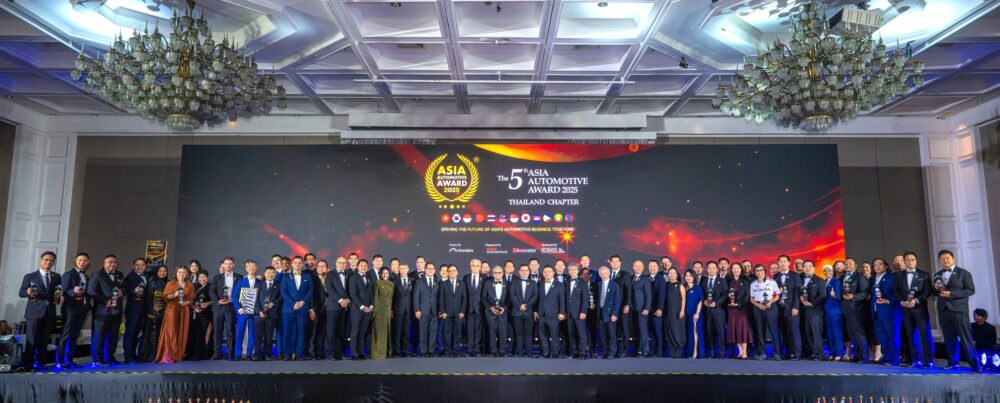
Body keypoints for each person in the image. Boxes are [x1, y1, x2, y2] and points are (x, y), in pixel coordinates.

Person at [932, 249, 980, 372]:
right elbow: (934, 293)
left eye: (947, 258)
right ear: (939, 261)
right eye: (942, 259)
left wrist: (952, 294)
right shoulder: (937, 274)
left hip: (959, 310)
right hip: (943, 310)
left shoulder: (963, 273)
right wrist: (935, 289)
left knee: (965, 337)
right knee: (949, 338)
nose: (945, 261)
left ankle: (975, 364)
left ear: (953, 259)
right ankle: (953, 362)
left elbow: (970, 290)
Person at [18, 251, 61, 371]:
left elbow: (57, 292)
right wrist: (27, 291)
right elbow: (21, 293)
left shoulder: (57, 277)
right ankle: (28, 364)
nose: (48, 262)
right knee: (31, 339)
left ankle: (41, 363)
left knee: (44, 339)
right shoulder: (30, 276)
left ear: (53, 263)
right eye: (46, 259)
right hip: (33, 312)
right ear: (41, 260)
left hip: (49, 312)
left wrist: (59, 294)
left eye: (51, 260)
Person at [894, 251, 933, 368]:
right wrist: (902, 301)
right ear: (904, 261)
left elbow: (927, 291)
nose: (910, 262)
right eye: (908, 260)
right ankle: (916, 360)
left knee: (925, 335)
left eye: (913, 260)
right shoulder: (898, 275)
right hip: (906, 309)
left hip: (920, 309)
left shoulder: (924, 274)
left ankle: (928, 360)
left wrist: (916, 300)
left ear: (916, 261)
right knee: (911, 336)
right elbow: (896, 291)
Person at [88, 255, 124, 367]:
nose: (112, 264)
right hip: (102, 311)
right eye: (109, 262)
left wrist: (123, 292)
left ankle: (110, 357)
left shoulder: (120, 274)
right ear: (104, 263)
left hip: (117, 310)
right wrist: (105, 301)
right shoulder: (97, 274)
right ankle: (97, 360)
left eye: (114, 262)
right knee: (99, 336)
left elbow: (124, 288)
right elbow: (91, 291)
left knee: (113, 336)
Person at [57, 252, 90, 369]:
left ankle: (69, 360)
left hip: (82, 309)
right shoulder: (68, 274)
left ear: (88, 262)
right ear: (75, 260)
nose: (82, 262)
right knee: (65, 335)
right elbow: (65, 290)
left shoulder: (86, 276)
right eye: (80, 260)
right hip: (70, 309)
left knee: (75, 335)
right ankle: (60, 361)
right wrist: (73, 291)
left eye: (85, 261)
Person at [155, 267, 194, 363]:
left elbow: (191, 299)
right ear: (176, 273)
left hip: (184, 310)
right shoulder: (171, 283)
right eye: (180, 272)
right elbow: (166, 297)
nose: (182, 274)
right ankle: (169, 355)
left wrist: (186, 302)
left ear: (187, 274)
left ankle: (178, 354)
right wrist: (175, 294)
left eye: (184, 272)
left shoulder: (190, 285)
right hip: (172, 309)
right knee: (171, 331)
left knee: (182, 331)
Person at [280, 256, 313, 360]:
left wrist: (302, 302)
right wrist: (293, 303)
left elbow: (310, 291)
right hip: (288, 309)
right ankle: (287, 354)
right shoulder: (285, 277)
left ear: (302, 264)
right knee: (287, 332)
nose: (297, 264)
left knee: (301, 332)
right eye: (295, 262)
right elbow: (283, 292)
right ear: (292, 264)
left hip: (302, 309)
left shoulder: (307, 276)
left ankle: (299, 354)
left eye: (299, 263)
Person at [210, 257, 242, 360]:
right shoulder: (217, 277)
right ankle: (217, 353)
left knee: (230, 331)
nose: (228, 266)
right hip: (218, 307)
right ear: (223, 265)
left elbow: (242, 292)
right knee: (217, 331)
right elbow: (212, 291)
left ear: (233, 265)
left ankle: (230, 353)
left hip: (231, 307)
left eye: (230, 264)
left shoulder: (239, 277)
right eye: (226, 264)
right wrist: (217, 300)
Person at [840, 257, 870, 363]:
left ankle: (864, 356)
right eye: (846, 264)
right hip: (845, 309)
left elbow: (865, 293)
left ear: (855, 266)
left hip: (856, 309)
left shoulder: (860, 277)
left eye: (850, 264)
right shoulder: (843, 277)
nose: (848, 266)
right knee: (851, 333)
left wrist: (853, 297)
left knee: (859, 333)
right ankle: (857, 355)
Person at [773, 255, 802, 360]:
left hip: (791, 307)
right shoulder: (775, 276)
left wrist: (796, 307)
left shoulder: (795, 275)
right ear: (778, 263)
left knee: (793, 330)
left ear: (789, 263)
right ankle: (789, 352)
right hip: (779, 308)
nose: (782, 263)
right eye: (780, 261)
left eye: (784, 261)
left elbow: (797, 292)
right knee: (784, 331)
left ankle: (797, 353)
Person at [232, 260, 262, 360]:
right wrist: (239, 309)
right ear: (246, 268)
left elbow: (261, 298)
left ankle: (249, 354)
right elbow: (235, 296)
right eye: (249, 267)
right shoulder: (241, 281)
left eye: (253, 267)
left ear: (257, 268)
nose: (251, 269)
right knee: (240, 332)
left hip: (255, 312)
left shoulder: (260, 282)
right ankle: (238, 354)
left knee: (252, 333)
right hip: (242, 311)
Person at [870, 258, 898, 365]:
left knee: (891, 336)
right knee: (882, 337)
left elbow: (897, 293)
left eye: (880, 264)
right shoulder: (873, 279)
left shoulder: (891, 278)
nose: (877, 266)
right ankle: (886, 357)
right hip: (876, 312)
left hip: (888, 311)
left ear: (886, 266)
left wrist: (888, 300)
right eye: (875, 265)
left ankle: (894, 358)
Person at [123, 258, 150, 364]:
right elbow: (129, 291)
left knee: (137, 334)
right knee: (130, 333)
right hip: (133, 310)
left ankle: (134, 355)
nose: (140, 267)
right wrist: (135, 292)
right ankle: (128, 357)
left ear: (145, 266)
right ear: (133, 266)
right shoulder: (129, 277)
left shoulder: (147, 276)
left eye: (142, 265)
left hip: (143, 310)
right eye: (137, 265)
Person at [140, 265, 169, 363]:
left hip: (165, 314)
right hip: (153, 313)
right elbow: (148, 298)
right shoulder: (152, 281)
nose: (162, 273)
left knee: (161, 336)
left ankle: (160, 356)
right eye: (160, 271)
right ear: (156, 272)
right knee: (152, 335)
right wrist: (150, 311)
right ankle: (150, 356)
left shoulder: (168, 282)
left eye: (164, 271)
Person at [750, 264, 780, 360]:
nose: (760, 272)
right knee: (760, 331)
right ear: (755, 273)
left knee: (773, 330)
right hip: (758, 308)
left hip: (770, 307)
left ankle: (776, 353)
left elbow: (778, 295)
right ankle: (762, 353)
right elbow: (751, 299)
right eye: (757, 270)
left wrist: (770, 302)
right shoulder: (753, 284)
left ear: (764, 271)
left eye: (761, 270)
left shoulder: (772, 282)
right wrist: (758, 305)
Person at [798, 261, 827, 361]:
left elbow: (823, 295)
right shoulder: (800, 280)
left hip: (816, 310)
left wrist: (812, 303)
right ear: (803, 268)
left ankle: (819, 354)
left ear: (814, 268)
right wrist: (800, 298)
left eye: (810, 266)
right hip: (804, 311)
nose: (808, 268)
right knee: (808, 332)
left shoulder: (819, 280)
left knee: (816, 333)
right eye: (805, 266)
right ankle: (813, 352)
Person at [536, 266, 566, 358]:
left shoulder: (559, 285)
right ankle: (546, 353)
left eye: (549, 271)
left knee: (554, 336)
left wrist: (562, 312)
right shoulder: (540, 284)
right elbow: (537, 299)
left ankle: (555, 353)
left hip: (554, 314)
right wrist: (536, 311)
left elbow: (562, 300)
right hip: (542, 314)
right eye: (545, 272)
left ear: (553, 273)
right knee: (543, 336)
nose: (547, 273)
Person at [701, 261, 728, 359]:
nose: (711, 270)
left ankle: (722, 352)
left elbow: (725, 295)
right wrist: (703, 301)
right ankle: (712, 351)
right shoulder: (704, 281)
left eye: (713, 268)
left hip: (719, 310)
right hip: (707, 310)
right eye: (709, 268)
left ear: (717, 269)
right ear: (707, 269)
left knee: (721, 332)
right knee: (709, 331)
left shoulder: (722, 280)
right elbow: (701, 294)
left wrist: (716, 303)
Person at [348, 259, 375, 360]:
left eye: (365, 266)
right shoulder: (353, 278)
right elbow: (353, 295)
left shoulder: (369, 278)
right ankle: (354, 353)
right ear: (357, 267)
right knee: (355, 333)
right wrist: (362, 307)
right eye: (361, 266)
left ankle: (361, 352)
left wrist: (371, 306)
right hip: (357, 310)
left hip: (368, 310)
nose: (363, 267)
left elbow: (372, 293)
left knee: (363, 333)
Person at [325, 257, 350, 360]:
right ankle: (329, 353)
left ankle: (338, 353)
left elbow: (349, 290)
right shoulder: (330, 274)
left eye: (344, 263)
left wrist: (347, 300)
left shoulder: (348, 274)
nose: (342, 264)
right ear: (336, 263)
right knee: (331, 331)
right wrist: (340, 300)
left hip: (344, 308)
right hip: (333, 307)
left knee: (341, 332)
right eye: (340, 262)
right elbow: (330, 289)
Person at [510, 264, 538, 357]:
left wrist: (526, 305)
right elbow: (512, 295)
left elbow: (535, 296)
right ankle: (519, 352)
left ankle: (529, 352)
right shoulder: (514, 282)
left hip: (528, 311)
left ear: (529, 272)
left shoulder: (533, 283)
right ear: (519, 272)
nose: (524, 272)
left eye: (526, 270)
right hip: (517, 312)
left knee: (529, 334)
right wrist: (519, 305)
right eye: (522, 270)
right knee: (518, 334)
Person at [254, 266, 281, 361]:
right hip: (259, 315)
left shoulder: (279, 285)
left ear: (275, 274)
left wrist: (273, 303)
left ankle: (268, 354)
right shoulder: (259, 285)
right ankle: (257, 355)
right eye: (268, 272)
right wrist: (259, 311)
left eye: (272, 272)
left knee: (269, 336)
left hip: (272, 314)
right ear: (264, 274)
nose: (270, 274)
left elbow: (281, 298)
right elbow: (255, 300)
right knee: (258, 336)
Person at [438, 265, 466, 357]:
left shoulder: (462, 283)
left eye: (454, 270)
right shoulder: (443, 284)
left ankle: (456, 350)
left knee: (457, 333)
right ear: (448, 273)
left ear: (457, 272)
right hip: (447, 313)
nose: (452, 272)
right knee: (447, 333)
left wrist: (462, 311)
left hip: (458, 313)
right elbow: (441, 299)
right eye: (450, 271)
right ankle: (447, 351)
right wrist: (442, 311)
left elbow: (464, 298)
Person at [413, 262, 439, 357]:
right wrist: (417, 310)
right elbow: (416, 297)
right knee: (423, 331)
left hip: (434, 311)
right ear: (425, 270)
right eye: (428, 268)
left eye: (432, 268)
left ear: (434, 270)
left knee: (433, 332)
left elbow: (439, 297)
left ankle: (431, 351)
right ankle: (423, 351)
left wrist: (439, 310)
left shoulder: (437, 281)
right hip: (423, 311)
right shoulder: (419, 282)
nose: (430, 270)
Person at [186, 272, 213, 361]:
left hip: (208, 313)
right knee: (196, 334)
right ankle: (195, 353)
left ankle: (206, 353)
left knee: (207, 333)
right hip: (196, 313)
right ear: (198, 278)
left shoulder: (211, 286)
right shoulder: (194, 286)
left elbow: (215, 299)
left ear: (207, 277)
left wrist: (207, 303)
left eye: (204, 277)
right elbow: (190, 299)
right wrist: (194, 307)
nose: (202, 279)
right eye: (200, 277)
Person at [609, 256, 632, 358]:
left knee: (624, 329)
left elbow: (628, 290)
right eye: (613, 262)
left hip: (623, 306)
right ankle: (614, 350)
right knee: (613, 330)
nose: (615, 263)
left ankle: (624, 350)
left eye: (617, 261)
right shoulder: (608, 274)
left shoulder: (625, 274)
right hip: (611, 308)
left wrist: (627, 304)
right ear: (610, 263)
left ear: (620, 263)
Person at [484, 265, 510, 356]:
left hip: (503, 312)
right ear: (493, 273)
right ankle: (493, 351)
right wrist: (490, 308)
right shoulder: (487, 283)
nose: (497, 274)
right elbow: (483, 298)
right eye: (495, 272)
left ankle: (502, 351)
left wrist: (504, 308)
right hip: (491, 312)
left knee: (503, 332)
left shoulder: (507, 283)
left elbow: (510, 298)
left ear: (503, 273)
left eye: (499, 272)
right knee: (492, 332)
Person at [597, 266, 622, 359]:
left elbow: (617, 301)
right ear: (599, 274)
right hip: (601, 314)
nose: (604, 275)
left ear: (609, 274)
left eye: (606, 273)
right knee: (603, 335)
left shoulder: (615, 285)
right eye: (602, 273)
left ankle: (612, 353)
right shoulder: (598, 285)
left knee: (612, 335)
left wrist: (614, 314)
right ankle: (605, 352)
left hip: (611, 314)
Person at [565, 263, 590, 359]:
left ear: (577, 271)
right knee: (571, 334)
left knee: (581, 334)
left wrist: (583, 311)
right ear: (568, 271)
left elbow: (585, 299)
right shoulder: (566, 282)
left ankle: (582, 353)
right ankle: (575, 352)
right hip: (569, 313)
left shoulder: (583, 283)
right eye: (570, 270)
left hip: (579, 312)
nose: (572, 271)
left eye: (574, 269)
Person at [823, 265, 846, 361]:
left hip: (835, 312)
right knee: (830, 334)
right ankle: (832, 352)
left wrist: (835, 295)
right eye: (825, 271)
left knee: (837, 334)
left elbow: (839, 297)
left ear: (833, 271)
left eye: (829, 270)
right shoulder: (824, 282)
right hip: (827, 312)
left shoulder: (836, 282)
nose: (827, 272)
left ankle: (839, 353)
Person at [629, 260, 652, 357]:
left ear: (643, 268)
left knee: (643, 330)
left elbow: (648, 295)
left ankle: (645, 351)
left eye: (640, 266)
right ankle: (638, 350)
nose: (638, 268)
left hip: (642, 309)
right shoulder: (631, 278)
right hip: (633, 309)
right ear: (633, 267)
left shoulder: (645, 279)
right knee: (636, 330)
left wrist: (647, 308)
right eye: (636, 266)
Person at [372, 267, 395, 359]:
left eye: (386, 273)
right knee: (379, 331)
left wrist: (391, 310)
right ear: (380, 274)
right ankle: (378, 353)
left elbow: (391, 299)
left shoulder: (391, 284)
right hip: (379, 310)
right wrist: (375, 311)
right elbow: (375, 297)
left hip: (387, 310)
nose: (385, 275)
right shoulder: (377, 283)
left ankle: (387, 352)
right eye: (383, 273)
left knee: (387, 331)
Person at [664, 267, 687, 358]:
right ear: (668, 275)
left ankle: (679, 348)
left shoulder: (680, 285)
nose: (672, 275)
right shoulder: (666, 285)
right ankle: (672, 349)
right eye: (670, 273)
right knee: (669, 330)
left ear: (677, 275)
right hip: (668, 311)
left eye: (674, 273)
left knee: (677, 330)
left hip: (677, 311)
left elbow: (683, 299)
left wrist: (682, 310)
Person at [464, 259, 485, 357]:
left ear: (480, 267)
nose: (475, 267)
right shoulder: (466, 277)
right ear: (470, 267)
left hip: (480, 308)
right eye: (473, 265)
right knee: (469, 329)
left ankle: (477, 349)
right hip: (469, 308)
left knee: (478, 330)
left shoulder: (484, 278)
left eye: (477, 266)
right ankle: (469, 349)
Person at [391, 263, 413, 358]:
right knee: (397, 331)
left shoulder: (412, 280)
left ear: (408, 269)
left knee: (406, 332)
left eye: (405, 268)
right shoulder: (394, 281)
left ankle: (405, 350)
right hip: (398, 310)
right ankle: (397, 351)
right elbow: (391, 297)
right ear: (399, 270)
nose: (403, 270)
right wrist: (391, 310)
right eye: (401, 269)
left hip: (408, 310)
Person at [310, 260, 330, 359]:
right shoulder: (312, 278)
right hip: (315, 309)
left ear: (327, 268)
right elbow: (310, 295)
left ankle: (319, 352)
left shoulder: (329, 278)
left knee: (322, 332)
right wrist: (311, 309)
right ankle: (312, 353)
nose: (321, 268)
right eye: (319, 266)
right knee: (313, 332)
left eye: (324, 266)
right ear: (316, 267)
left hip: (327, 309)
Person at [683, 269, 704, 359]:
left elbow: (700, 301)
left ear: (694, 277)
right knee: (689, 333)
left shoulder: (697, 287)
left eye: (690, 276)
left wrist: (697, 313)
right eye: (686, 275)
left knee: (695, 332)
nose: (688, 277)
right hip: (686, 314)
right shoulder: (684, 287)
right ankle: (689, 351)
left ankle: (695, 351)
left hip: (695, 314)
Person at [648, 260, 666, 357]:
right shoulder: (647, 277)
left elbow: (662, 295)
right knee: (651, 331)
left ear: (658, 267)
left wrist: (660, 309)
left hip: (657, 309)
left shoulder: (660, 279)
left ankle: (660, 351)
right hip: (648, 310)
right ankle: (653, 350)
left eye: (654, 266)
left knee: (658, 331)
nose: (652, 268)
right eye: (650, 266)